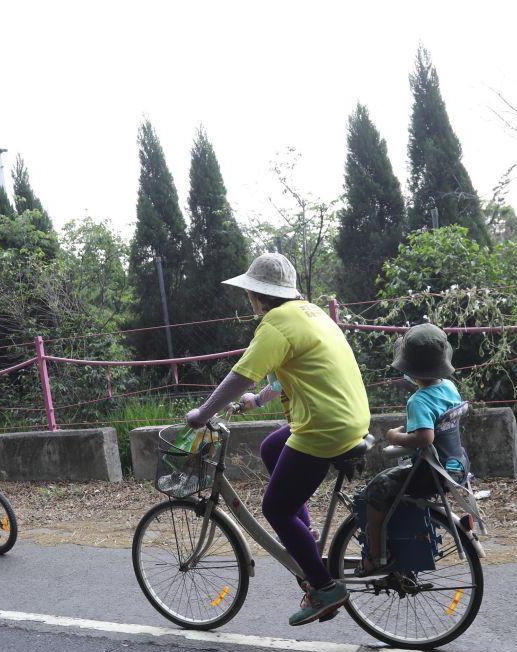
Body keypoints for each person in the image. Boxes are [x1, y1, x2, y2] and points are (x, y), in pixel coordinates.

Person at [185, 253, 371, 626]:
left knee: (276, 509)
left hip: (323, 426)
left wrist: (201, 415)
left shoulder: (274, 323)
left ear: (257, 294)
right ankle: (305, 536)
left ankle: (323, 588)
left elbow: (241, 375)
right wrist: (260, 400)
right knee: (271, 447)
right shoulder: (310, 313)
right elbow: (292, 367)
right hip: (349, 417)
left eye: (249, 293)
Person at [359, 323, 465, 575]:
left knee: (375, 491)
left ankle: (376, 556)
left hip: (430, 472)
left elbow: (425, 438)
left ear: (410, 369)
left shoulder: (418, 400)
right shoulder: (449, 387)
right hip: (456, 465)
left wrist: (395, 436)